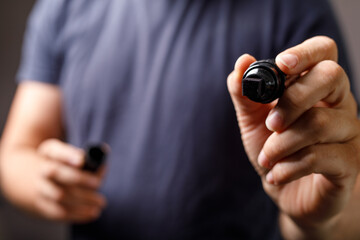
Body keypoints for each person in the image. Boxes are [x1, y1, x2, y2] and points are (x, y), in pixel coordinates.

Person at [0, 0, 359, 239]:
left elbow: (345, 203)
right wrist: (42, 180)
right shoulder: (63, 7)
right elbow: (16, 151)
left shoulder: (294, 10)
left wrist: (314, 221)